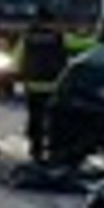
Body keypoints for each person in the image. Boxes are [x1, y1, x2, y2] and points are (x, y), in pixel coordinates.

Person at [19, 16, 71, 159]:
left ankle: (36, 149)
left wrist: (20, 75)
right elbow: (67, 55)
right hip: (53, 86)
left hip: (33, 85)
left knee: (35, 118)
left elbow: (18, 57)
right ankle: (54, 149)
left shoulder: (27, 37)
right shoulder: (59, 37)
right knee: (53, 119)